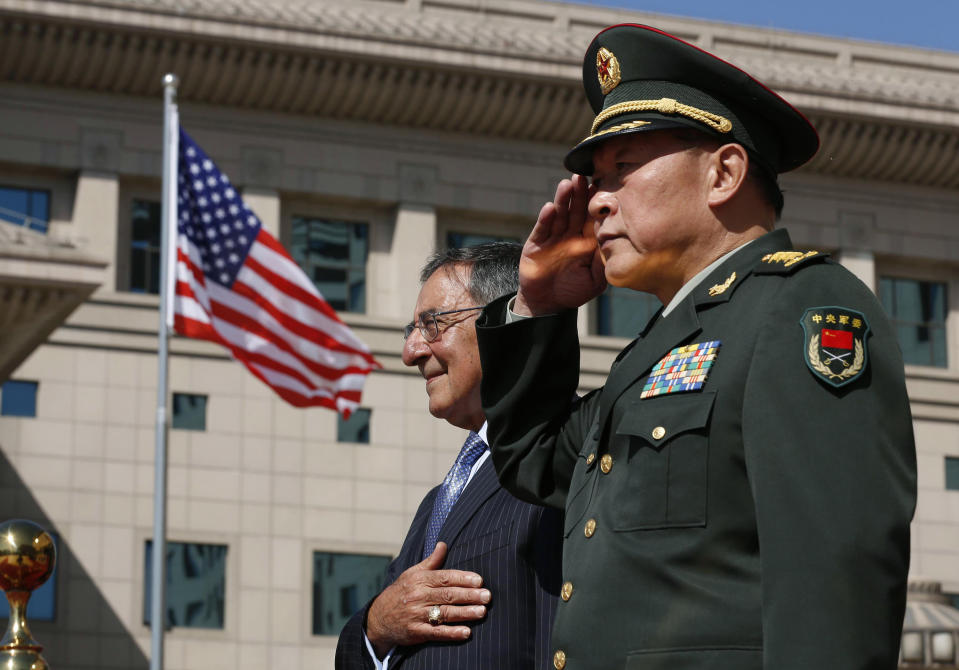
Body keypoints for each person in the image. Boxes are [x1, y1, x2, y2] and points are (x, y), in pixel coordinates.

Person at [475, 24, 917, 670]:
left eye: (622, 168)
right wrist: (538, 308)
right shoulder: (655, 352)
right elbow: (534, 458)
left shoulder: (799, 309)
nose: (596, 201)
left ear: (724, 173)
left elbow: (833, 586)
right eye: (594, 180)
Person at [335, 242, 563, 670]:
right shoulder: (436, 503)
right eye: (412, 330)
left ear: (506, 321)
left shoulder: (562, 455)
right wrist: (378, 624)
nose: (411, 353)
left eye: (434, 324)